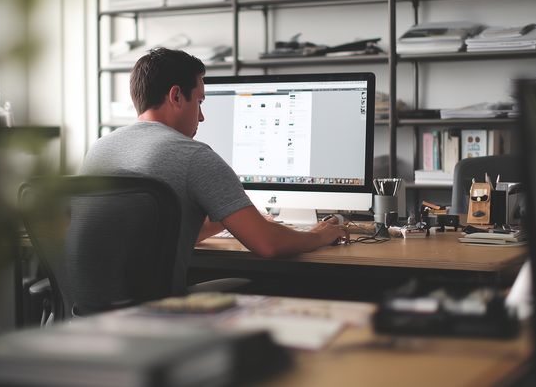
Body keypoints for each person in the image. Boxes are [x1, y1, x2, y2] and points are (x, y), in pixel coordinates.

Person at [81, 47, 347, 293]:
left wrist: (228, 218)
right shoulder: (194, 155)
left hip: (86, 322)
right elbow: (268, 245)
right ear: (176, 96)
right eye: (199, 101)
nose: (201, 116)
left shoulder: (99, 150)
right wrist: (318, 235)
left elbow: (155, 234)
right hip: (154, 319)